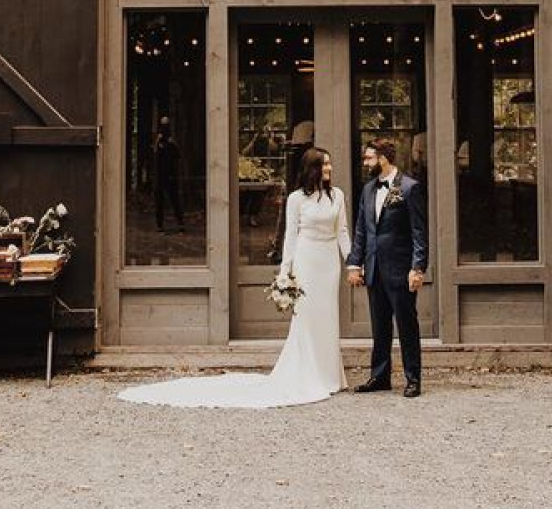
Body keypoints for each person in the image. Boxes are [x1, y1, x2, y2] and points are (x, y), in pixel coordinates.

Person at [119, 147, 350, 409]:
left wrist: (352, 262)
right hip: (307, 260)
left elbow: (342, 231)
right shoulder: (297, 199)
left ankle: (330, 375)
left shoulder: (337, 196)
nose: (330, 169)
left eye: (330, 164)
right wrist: (286, 271)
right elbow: (291, 237)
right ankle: (309, 374)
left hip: (329, 263)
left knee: (328, 315)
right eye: (325, 165)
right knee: (307, 318)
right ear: (312, 169)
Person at [347, 138, 428, 398]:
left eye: (369, 158)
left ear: (382, 158)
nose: (365, 162)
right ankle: (379, 376)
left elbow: (419, 232)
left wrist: (418, 267)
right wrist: (354, 263)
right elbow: (361, 229)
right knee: (379, 326)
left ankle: (413, 378)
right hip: (373, 268)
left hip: (400, 268)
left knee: (406, 325)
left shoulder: (409, 187)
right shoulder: (369, 189)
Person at [152, 116, 183, 230]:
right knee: (159, 201)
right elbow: (155, 154)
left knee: (175, 199)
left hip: (170, 175)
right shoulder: (158, 142)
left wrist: (173, 143)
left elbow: (178, 156)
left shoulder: (171, 143)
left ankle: (180, 223)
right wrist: (157, 141)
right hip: (160, 176)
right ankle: (159, 224)